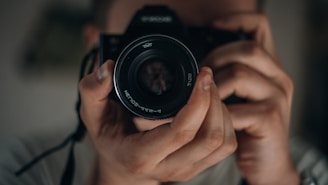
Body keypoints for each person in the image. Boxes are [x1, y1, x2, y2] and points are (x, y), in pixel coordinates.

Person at [0, 0, 327, 185]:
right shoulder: (20, 168)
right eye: (146, 37)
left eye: (198, 42)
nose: (170, 62)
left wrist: (277, 180)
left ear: (251, 47)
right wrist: (117, 177)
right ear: (97, 47)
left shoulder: (299, 168)